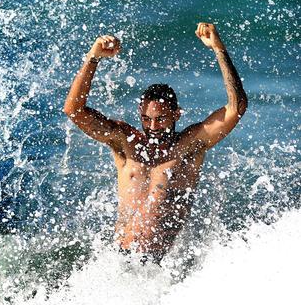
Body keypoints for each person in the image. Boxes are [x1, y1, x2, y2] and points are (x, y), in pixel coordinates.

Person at [63, 23, 247, 262]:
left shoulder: (190, 145)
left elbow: (236, 107)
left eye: (160, 119)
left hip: (158, 269)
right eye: (146, 119)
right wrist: (93, 58)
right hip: (117, 263)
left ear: (176, 114)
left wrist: (219, 49)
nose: (152, 127)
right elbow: (73, 110)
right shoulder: (125, 141)